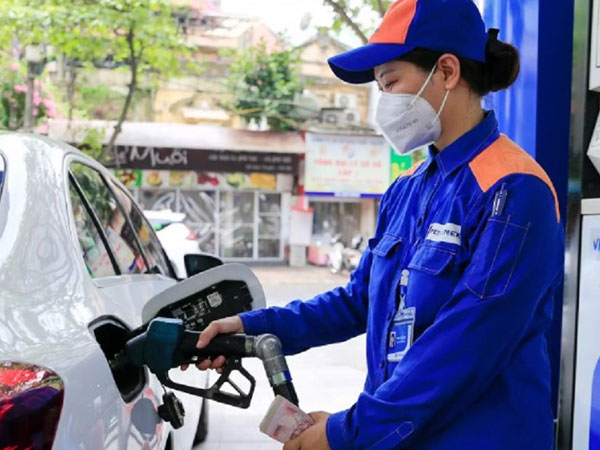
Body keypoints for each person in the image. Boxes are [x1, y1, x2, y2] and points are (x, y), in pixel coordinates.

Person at [184, 0, 564, 448]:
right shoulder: (408, 188)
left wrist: (345, 432)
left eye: (391, 83)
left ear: (446, 71)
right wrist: (250, 328)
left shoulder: (514, 189)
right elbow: (359, 300)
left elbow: (467, 344)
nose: (385, 104)